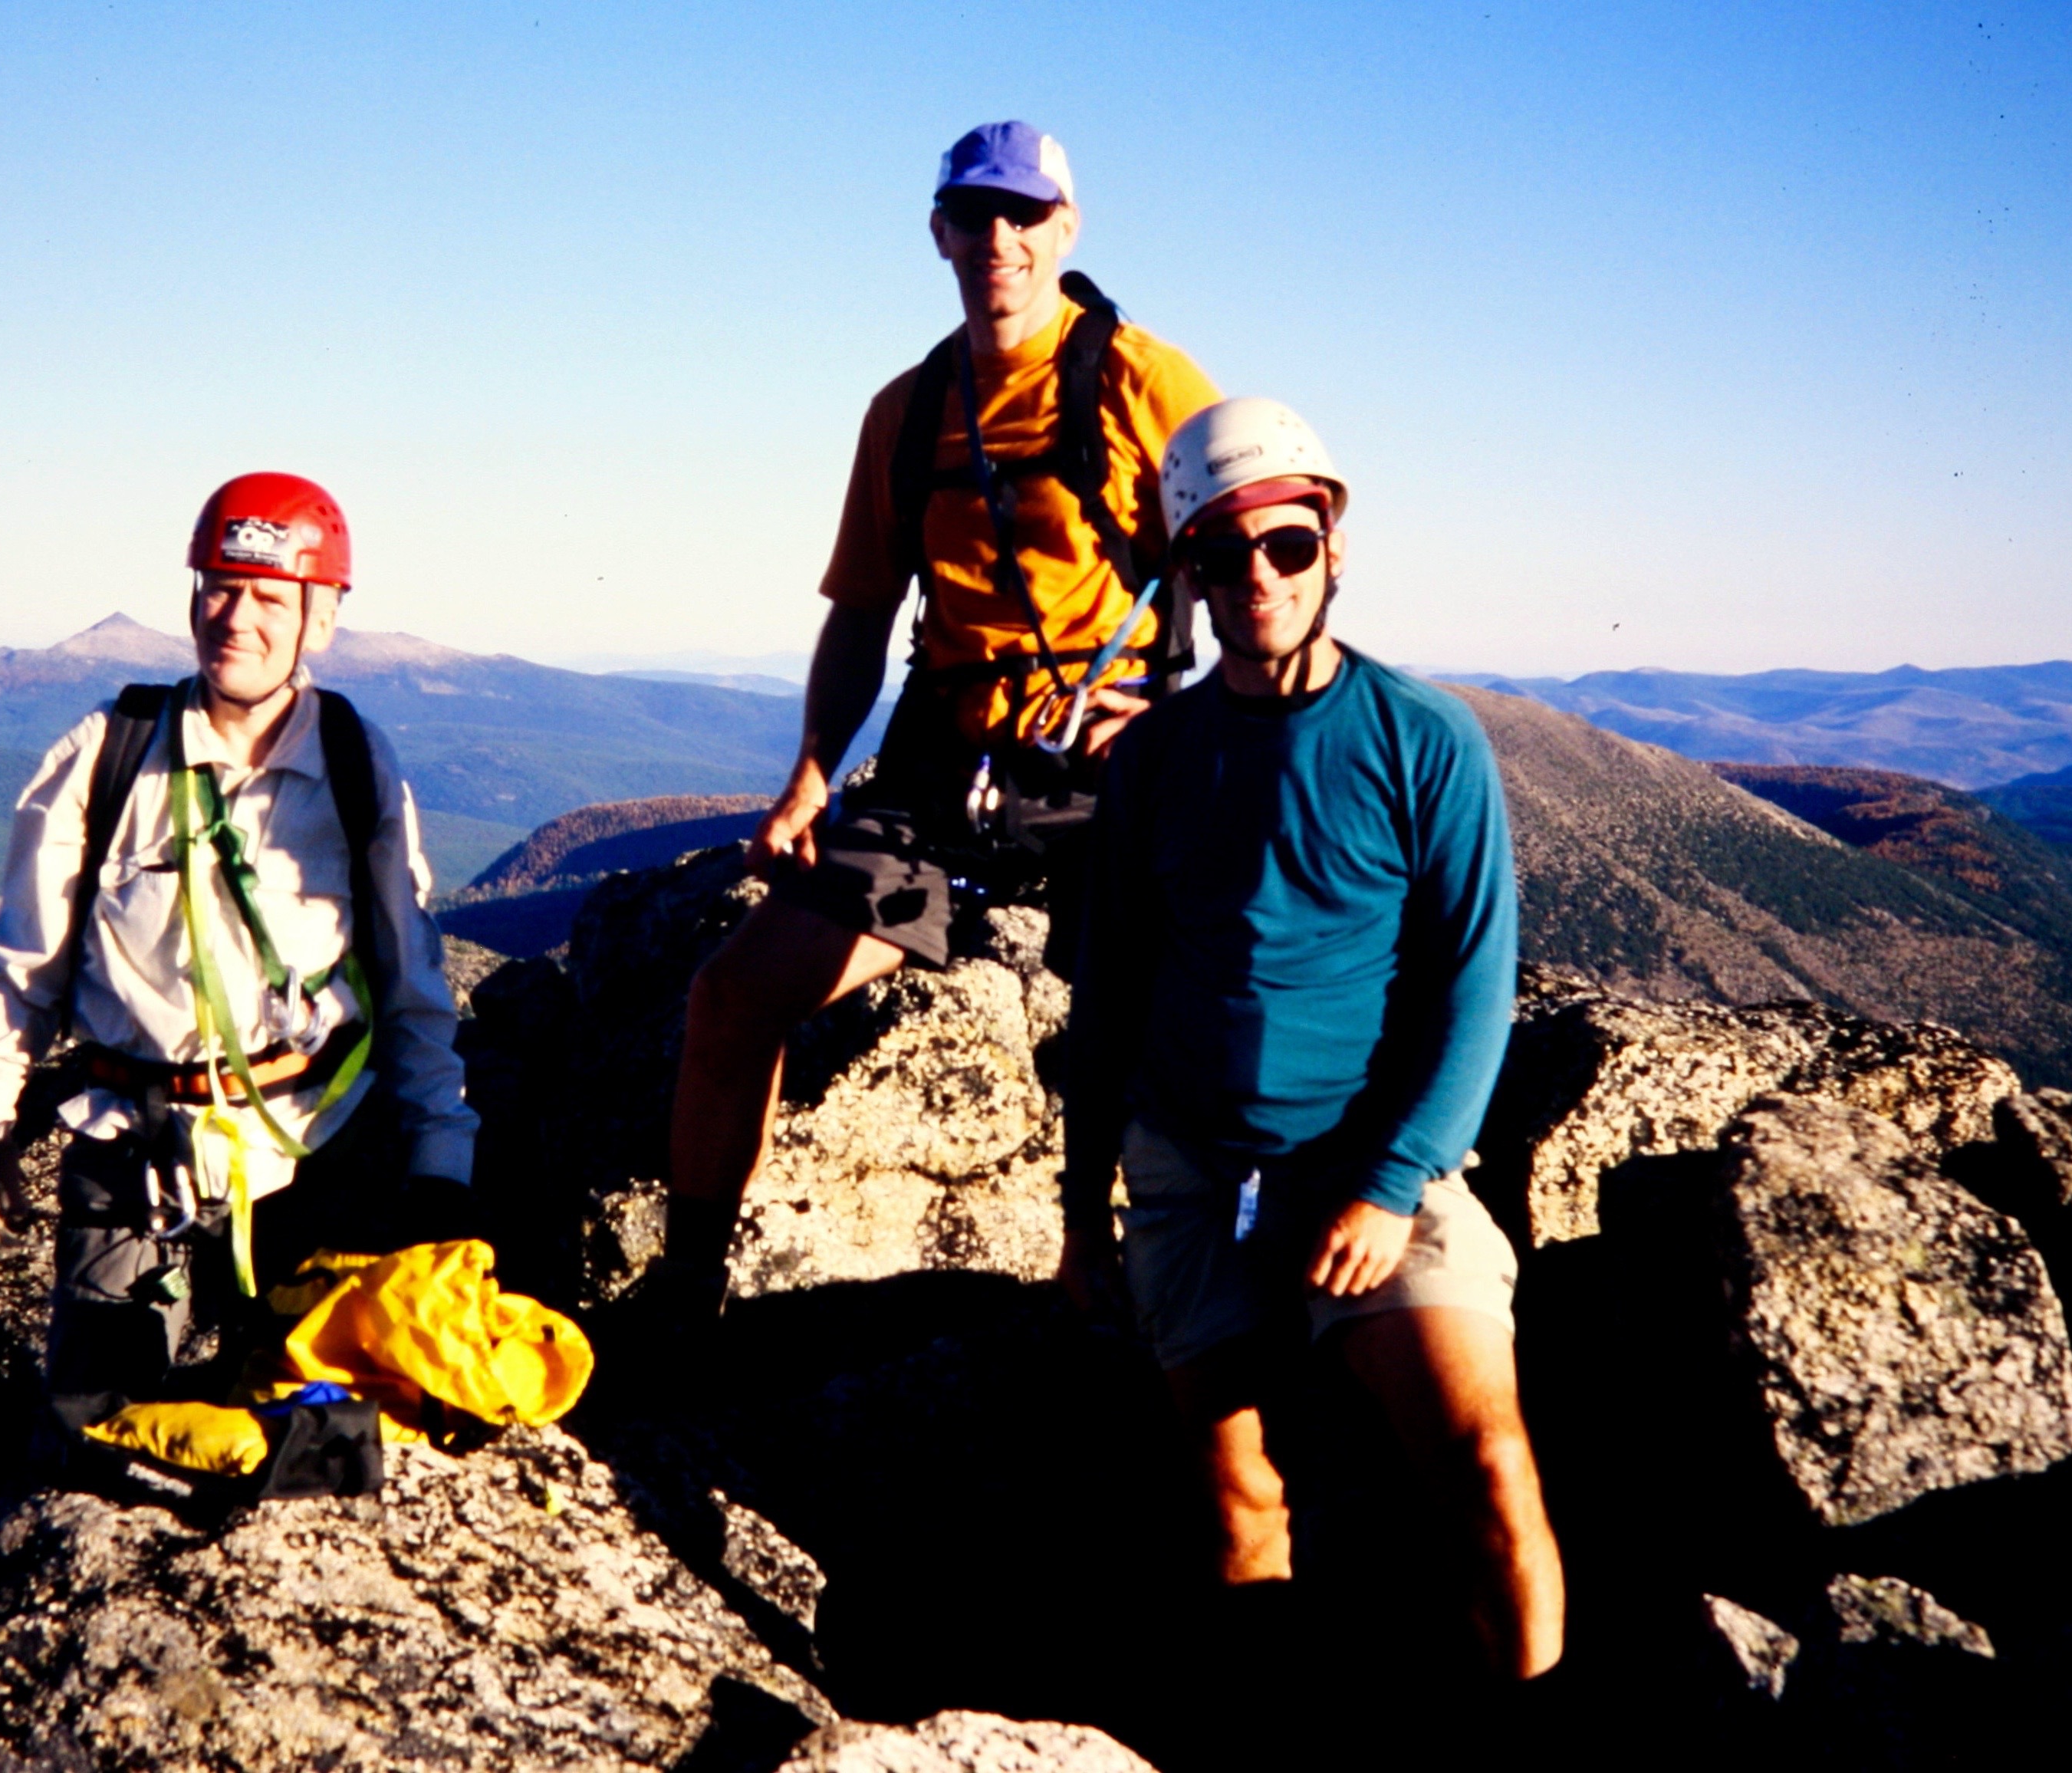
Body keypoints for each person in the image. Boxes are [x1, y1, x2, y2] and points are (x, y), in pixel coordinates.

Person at [657, 120, 1222, 1312]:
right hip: (941, 769)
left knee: (1151, 1020)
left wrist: (1178, 718)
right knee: (734, 994)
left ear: (1065, 231)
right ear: (939, 234)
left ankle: (1141, 1280)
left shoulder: (1144, 382)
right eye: (974, 216)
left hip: (1102, 774)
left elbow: (1258, 559)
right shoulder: (907, 411)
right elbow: (862, 612)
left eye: (1023, 216)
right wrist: (811, 775)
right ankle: (690, 1292)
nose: (997, 239)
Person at [1061, 398, 1565, 1682]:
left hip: (1368, 1162)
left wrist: (1390, 1185)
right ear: (1186, 571)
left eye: (1284, 545)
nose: (1256, 577)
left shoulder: (1420, 738)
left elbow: (1475, 985)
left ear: (1331, 548)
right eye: (1219, 553)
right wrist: (1077, 1220)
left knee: (1487, 1465)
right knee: (1238, 1503)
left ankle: (1534, 1737)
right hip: (1193, 1172)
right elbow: (1107, 994)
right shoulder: (1154, 760)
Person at [0, 471, 481, 1399]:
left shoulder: (353, 762)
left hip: (313, 1149)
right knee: (99, 1422)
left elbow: (408, 973)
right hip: (132, 1153)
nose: (235, 618)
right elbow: (25, 955)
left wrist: (440, 1157)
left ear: (319, 620)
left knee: (312, 1429)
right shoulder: (106, 751)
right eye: (220, 589)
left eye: (269, 597)